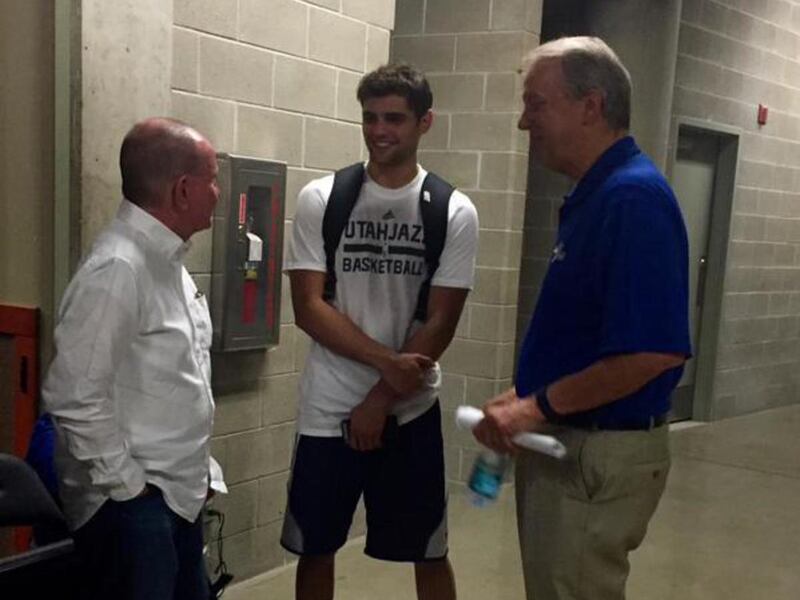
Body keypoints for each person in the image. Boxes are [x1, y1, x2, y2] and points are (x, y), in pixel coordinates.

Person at [473, 37, 691, 600]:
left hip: (594, 452)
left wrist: (537, 406)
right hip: (571, 438)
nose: (525, 122)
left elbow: (652, 351)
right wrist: (524, 393)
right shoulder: (594, 195)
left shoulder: (632, 199)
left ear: (590, 106)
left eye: (536, 104)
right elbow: (589, 335)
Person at [281, 63, 479, 600]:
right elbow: (308, 307)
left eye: (394, 118)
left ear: (424, 123)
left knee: (429, 550)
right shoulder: (323, 199)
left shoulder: (452, 211)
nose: (379, 131)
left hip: (408, 407)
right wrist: (385, 363)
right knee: (315, 547)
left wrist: (382, 397)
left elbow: (441, 321)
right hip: (328, 408)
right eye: (370, 118)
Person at [42, 117, 224, 600]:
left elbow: (176, 381)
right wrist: (131, 490)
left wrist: (200, 471)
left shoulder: (168, 264)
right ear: (183, 190)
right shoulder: (119, 267)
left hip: (173, 495)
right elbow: (73, 396)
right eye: (212, 179)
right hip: (133, 505)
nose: (218, 192)